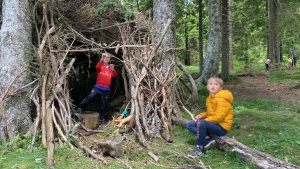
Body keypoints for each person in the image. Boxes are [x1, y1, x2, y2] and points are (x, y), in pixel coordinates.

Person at [186, 77, 234, 158]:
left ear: (220, 88)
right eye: (210, 84)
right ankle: (208, 139)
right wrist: (202, 115)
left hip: (221, 127)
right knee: (189, 125)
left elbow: (219, 117)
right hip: (212, 125)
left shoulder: (222, 100)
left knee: (201, 123)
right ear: (207, 87)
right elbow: (210, 113)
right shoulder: (210, 98)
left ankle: (200, 149)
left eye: (216, 84)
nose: (213, 86)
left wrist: (203, 121)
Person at [76, 52, 117, 124]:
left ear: (110, 60)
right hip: (98, 87)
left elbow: (114, 75)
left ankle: (102, 118)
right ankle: (80, 108)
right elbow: (97, 67)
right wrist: (101, 59)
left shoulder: (111, 68)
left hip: (106, 89)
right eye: (105, 57)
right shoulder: (100, 65)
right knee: (90, 97)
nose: (106, 58)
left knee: (104, 104)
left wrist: (113, 69)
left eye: (108, 57)